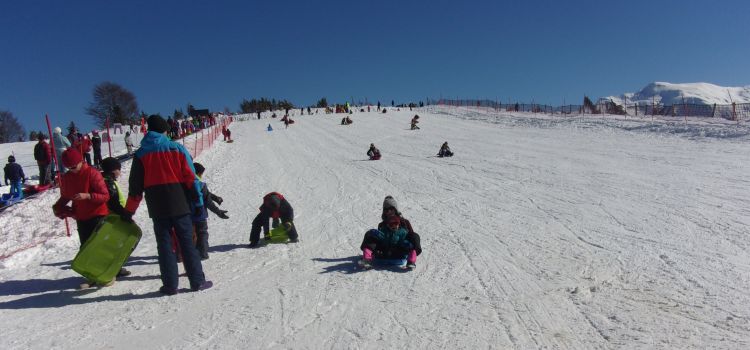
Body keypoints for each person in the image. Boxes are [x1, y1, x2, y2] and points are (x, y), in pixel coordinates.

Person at [124, 115, 212, 295]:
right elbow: (191, 178)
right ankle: (197, 281)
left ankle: (170, 285)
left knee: (164, 245)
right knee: (186, 242)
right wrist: (198, 201)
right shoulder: (176, 148)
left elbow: (135, 188)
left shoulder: (141, 154)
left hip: (157, 206)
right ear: (164, 130)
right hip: (179, 203)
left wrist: (128, 212)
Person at [52, 148, 115, 286]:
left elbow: (105, 196)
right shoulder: (68, 177)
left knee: (100, 247)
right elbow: (66, 196)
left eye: (74, 166)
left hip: (98, 215)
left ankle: (108, 274)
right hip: (81, 217)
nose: (72, 169)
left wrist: (88, 196)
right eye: (68, 167)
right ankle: (91, 276)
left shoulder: (92, 173)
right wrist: (58, 207)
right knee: (86, 248)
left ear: (81, 161)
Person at [359, 196, 421, 269]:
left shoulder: (405, 222)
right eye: (386, 210)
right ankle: (367, 259)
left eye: (391, 209)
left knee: (414, 236)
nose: (389, 212)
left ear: (395, 210)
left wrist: (406, 243)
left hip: (400, 251)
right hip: (385, 251)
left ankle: (411, 261)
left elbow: (411, 236)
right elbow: (381, 239)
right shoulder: (382, 224)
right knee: (370, 234)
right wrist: (375, 235)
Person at [99, 157, 133, 277]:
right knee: (114, 245)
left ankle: (110, 268)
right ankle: (113, 269)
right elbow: (113, 202)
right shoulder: (108, 182)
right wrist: (124, 214)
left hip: (109, 217)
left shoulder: (103, 179)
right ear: (113, 170)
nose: (120, 172)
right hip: (113, 217)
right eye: (119, 169)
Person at [191, 163, 229, 259]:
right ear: (198, 173)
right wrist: (219, 212)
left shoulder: (185, 183)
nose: (201, 176)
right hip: (200, 214)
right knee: (202, 233)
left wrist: (215, 197)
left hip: (187, 214)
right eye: (201, 173)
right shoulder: (201, 184)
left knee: (191, 234)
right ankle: (203, 254)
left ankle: (187, 254)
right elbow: (208, 202)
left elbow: (205, 193)